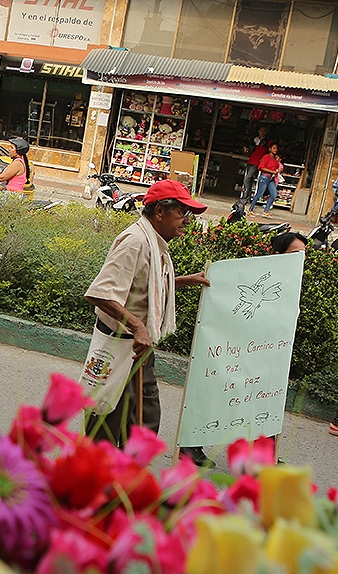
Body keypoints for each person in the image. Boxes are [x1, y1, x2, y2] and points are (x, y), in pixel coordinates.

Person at [83, 179, 210, 458]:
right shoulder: (136, 241)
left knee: (144, 421)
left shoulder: (154, 242)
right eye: (182, 213)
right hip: (120, 345)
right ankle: (95, 484)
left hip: (139, 346)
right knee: (106, 420)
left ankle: (126, 480)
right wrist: (138, 326)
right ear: (160, 212)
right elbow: (100, 292)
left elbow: (145, 284)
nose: (187, 221)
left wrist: (182, 281)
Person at [248, 142, 282, 218]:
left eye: (276, 148)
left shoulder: (275, 160)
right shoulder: (266, 157)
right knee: (259, 193)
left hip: (271, 178)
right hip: (264, 177)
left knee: (274, 194)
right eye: (274, 148)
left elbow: (276, 167)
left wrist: (275, 172)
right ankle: (250, 209)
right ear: (270, 149)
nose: (275, 150)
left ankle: (266, 211)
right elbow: (261, 167)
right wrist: (272, 171)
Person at [241, 126, 269, 200]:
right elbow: (249, 148)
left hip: (257, 162)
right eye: (261, 131)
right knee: (247, 178)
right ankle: (247, 195)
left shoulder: (267, 141)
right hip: (251, 160)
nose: (262, 132)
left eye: (264, 131)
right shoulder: (254, 140)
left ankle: (246, 196)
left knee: (248, 178)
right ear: (258, 131)